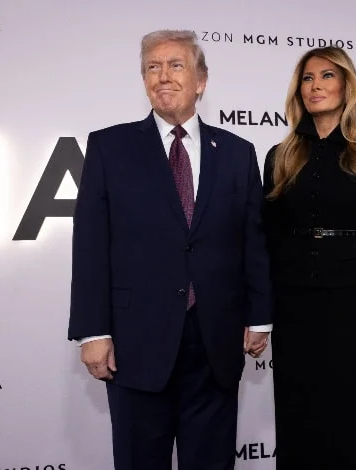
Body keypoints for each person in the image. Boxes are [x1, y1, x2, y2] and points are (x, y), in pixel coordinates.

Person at [67, 30, 273, 470]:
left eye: (176, 65)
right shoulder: (109, 147)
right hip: (135, 342)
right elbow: (89, 245)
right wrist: (92, 331)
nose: (163, 76)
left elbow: (252, 241)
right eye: (152, 67)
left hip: (215, 342)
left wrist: (260, 317)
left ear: (201, 81)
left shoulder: (237, 152)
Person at [262, 46, 356, 469]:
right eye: (307, 78)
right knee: (297, 415)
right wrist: (258, 313)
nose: (315, 86)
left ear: (347, 85)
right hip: (293, 302)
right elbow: (265, 239)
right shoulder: (280, 155)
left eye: (327, 76)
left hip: (355, 303)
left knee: (352, 417)